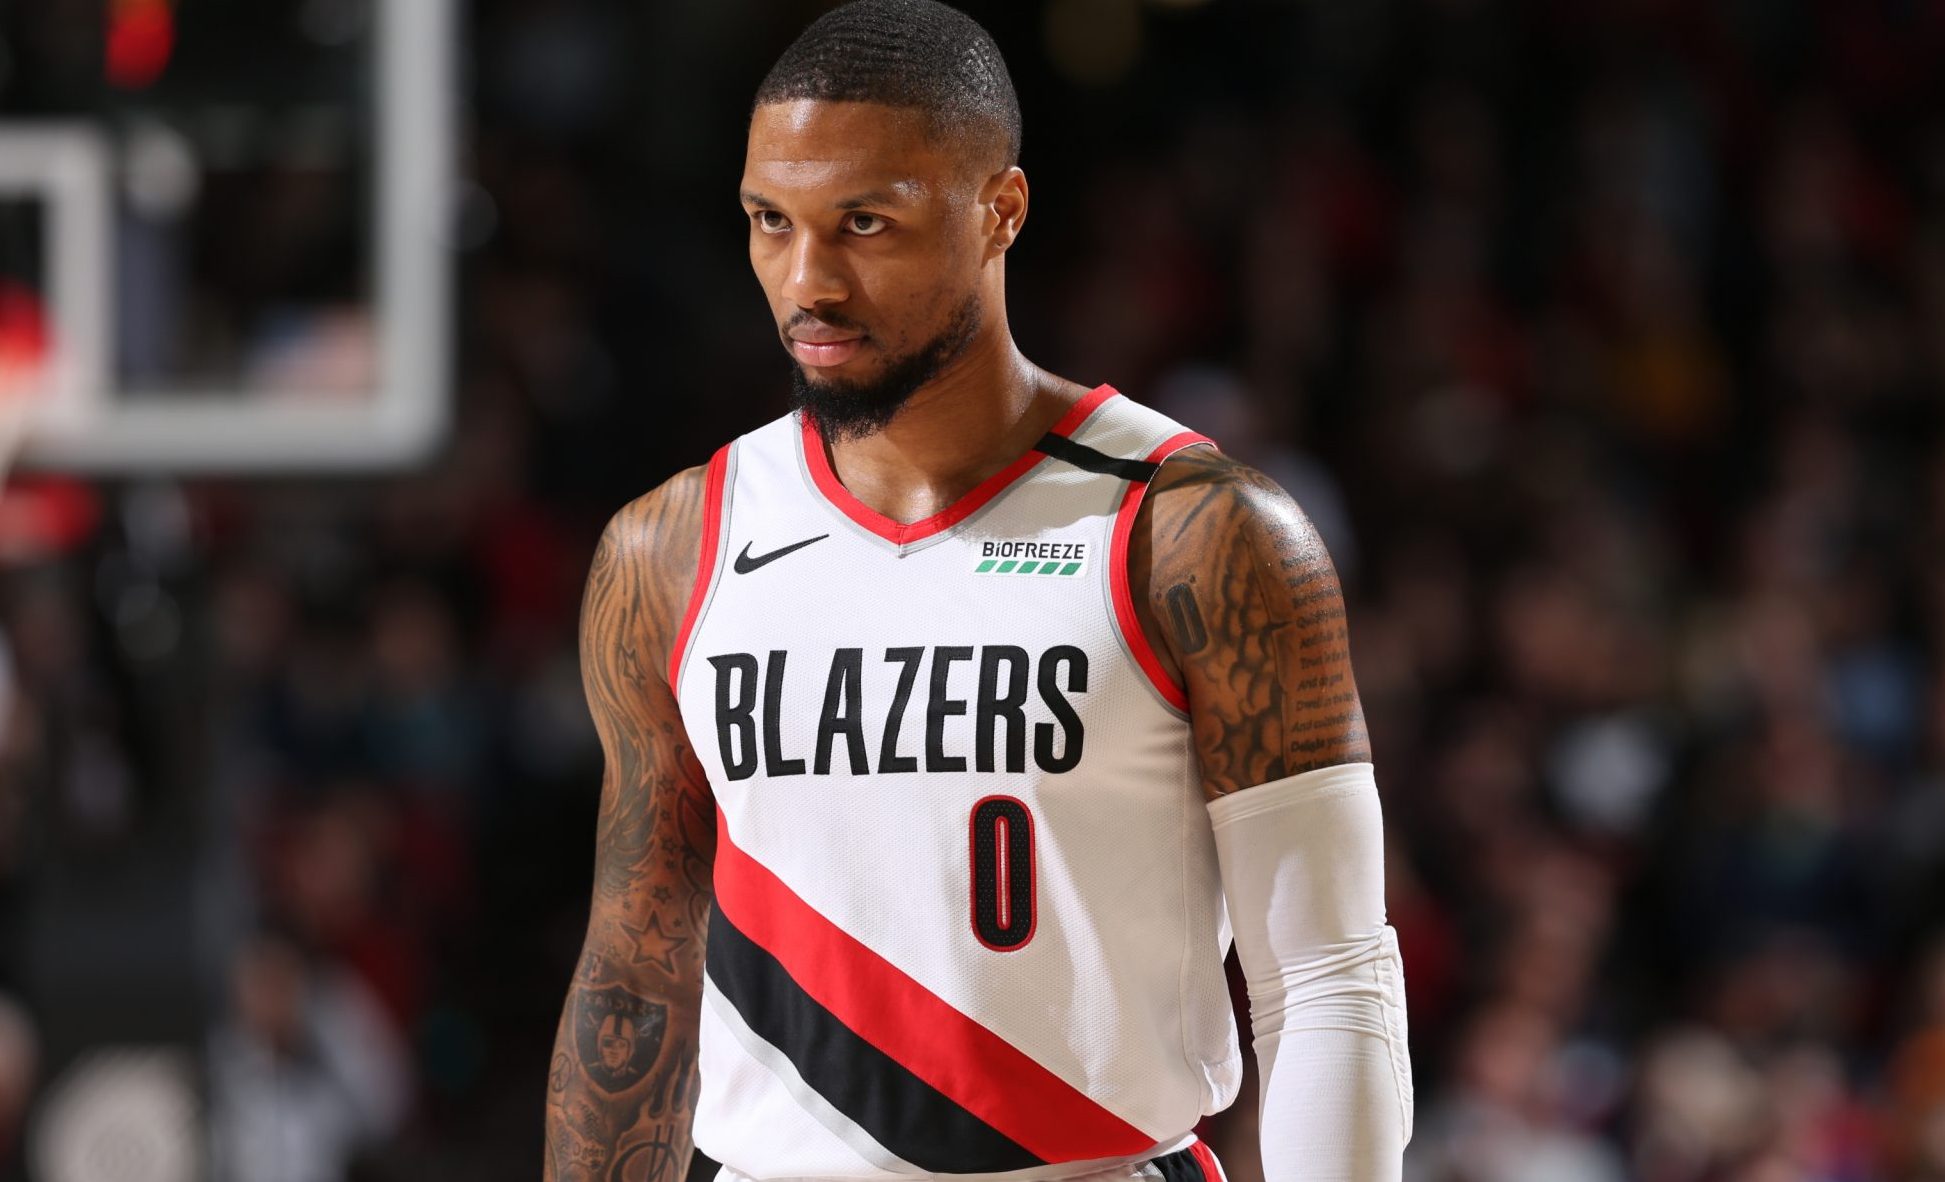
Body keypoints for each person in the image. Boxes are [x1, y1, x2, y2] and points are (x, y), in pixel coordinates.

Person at [543, 2, 1412, 1179]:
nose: (807, 281)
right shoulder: (669, 549)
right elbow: (635, 973)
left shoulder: (1198, 534)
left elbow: (1326, 977)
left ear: (999, 210)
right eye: (770, 221)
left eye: (865, 223)